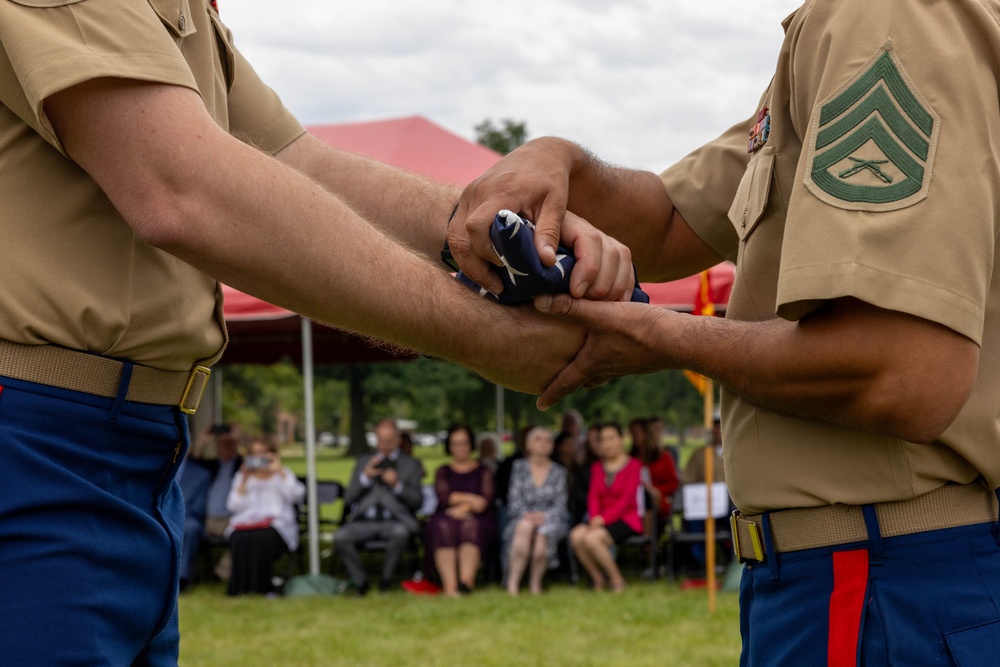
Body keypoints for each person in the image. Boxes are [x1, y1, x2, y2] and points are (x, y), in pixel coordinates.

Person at [0, 2, 635, 662]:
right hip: (38, 435)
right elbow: (181, 187)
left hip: (126, 442)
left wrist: (482, 222)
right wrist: (482, 336)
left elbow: (296, 160)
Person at [449, 1, 1000, 661]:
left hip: (884, 581)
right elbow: (667, 222)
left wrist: (656, 337)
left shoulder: (886, 12)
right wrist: (557, 159)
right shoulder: (846, 26)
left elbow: (902, 371)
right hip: (869, 573)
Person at [335, 419, 424, 595]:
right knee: (341, 537)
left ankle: (386, 580)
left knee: (401, 533)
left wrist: (398, 485)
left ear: (398, 440)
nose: (384, 446)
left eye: (389, 441)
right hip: (364, 521)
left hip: (395, 521)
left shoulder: (411, 465)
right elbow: (348, 497)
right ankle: (360, 582)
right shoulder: (364, 462)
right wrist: (364, 478)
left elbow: (418, 501)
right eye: (380, 441)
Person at [224, 438, 305, 596]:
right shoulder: (242, 477)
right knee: (238, 538)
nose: (258, 458)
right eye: (254, 454)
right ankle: (239, 588)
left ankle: (263, 587)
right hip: (246, 523)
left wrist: (278, 470)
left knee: (263, 538)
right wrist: (244, 480)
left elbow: (296, 494)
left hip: (276, 525)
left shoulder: (281, 474)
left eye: (262, 453)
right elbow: (233, 505)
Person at [569, 422, 642, 593]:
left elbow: (627, 499)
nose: (607, 443)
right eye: (603, 440)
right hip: (598, 519)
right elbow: (593, 496)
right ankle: (598, 580)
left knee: (592, 539)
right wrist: (595, 517)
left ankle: (617, 581)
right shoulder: (596, 467)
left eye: (611, 438)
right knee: (576, 536)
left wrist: (603, 519)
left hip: (626, 519)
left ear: (621, 439)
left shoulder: (634, 465)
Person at [426, 424, 496, 596]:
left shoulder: (483, 471)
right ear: (449, 446)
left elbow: (485, 501)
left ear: (471, 444)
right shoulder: (443, 471)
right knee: (443, 526)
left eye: (463, 443)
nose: (460, 447)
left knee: (470, 525)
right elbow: (444, 497)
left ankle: (466, 582)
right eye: (455, 443)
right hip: (446, 516)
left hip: (478, 518)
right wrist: (471, 499)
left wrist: (463, 506)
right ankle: (450, 587)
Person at [503, 426, 569, 595]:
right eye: (538, 440)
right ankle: (513, 583)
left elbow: (561, 505)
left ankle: (535, 584)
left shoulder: (559, 472)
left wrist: (544, 516)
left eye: (548, 440)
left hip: (551, 519)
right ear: (528, 445)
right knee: (524, 527)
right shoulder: (518, 467)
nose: (543, 444)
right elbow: (514, 499)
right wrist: (528, 516)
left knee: (542, 536)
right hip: (522, 517)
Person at [178, 423, 243, 589]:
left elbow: (254, 459)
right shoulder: (212, 467)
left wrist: (240, 439)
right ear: (217, 447)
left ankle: (221, 571)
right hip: (210, 520)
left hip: (232, 519)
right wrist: (202, 441)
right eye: (223, 444)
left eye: (230, 444)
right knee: (190, 528)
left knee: (242, 537)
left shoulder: (241, 466)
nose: (227, 447)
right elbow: (192, 463)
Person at [630, 417, 679, 533]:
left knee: (649, 496)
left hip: (658, 500)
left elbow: (673, 483)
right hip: (633, 499)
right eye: (633, 432)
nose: (635, 436)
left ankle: (649, 541)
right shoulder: (630, 458)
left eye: (638, 432)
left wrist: (655, 490)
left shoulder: (663, 457)